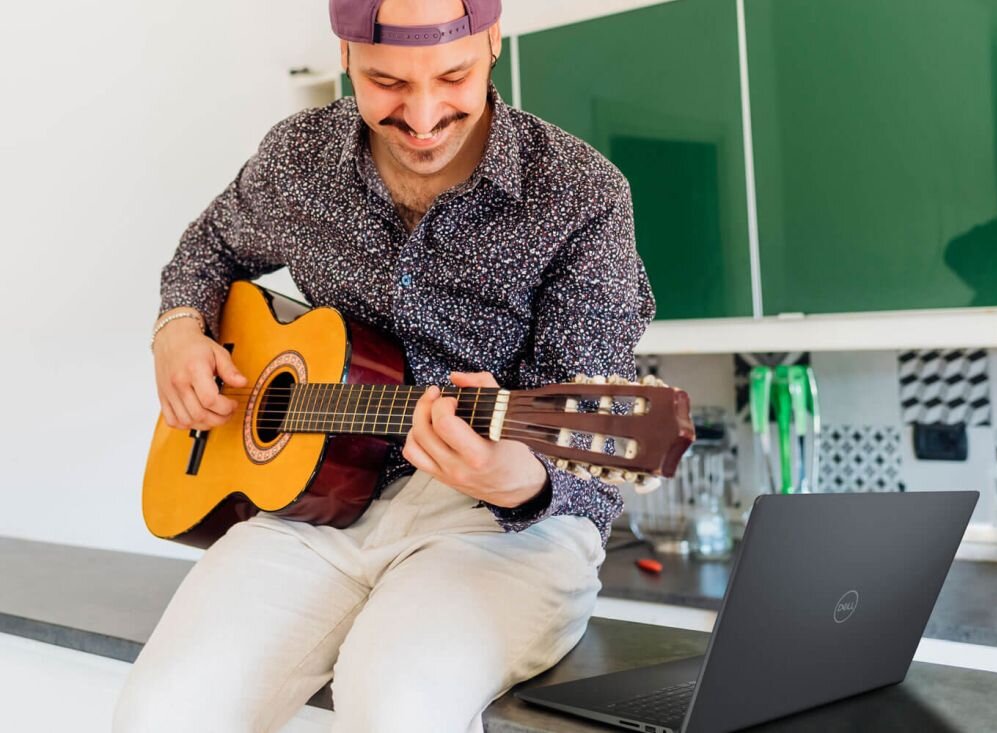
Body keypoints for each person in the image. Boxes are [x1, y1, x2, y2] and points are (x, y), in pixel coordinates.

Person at [114, 0, 655, 730]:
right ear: (345, 57)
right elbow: (206, 249)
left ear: (493, 41)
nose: (424, 115)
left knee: (396, 704)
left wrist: (516, 476)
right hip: (317, 501)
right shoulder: (297, 160)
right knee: (160, 713)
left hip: (506, 527)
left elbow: (591, 444)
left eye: (454, 75)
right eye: (387, 82)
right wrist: (177, 328)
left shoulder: (580, 194)